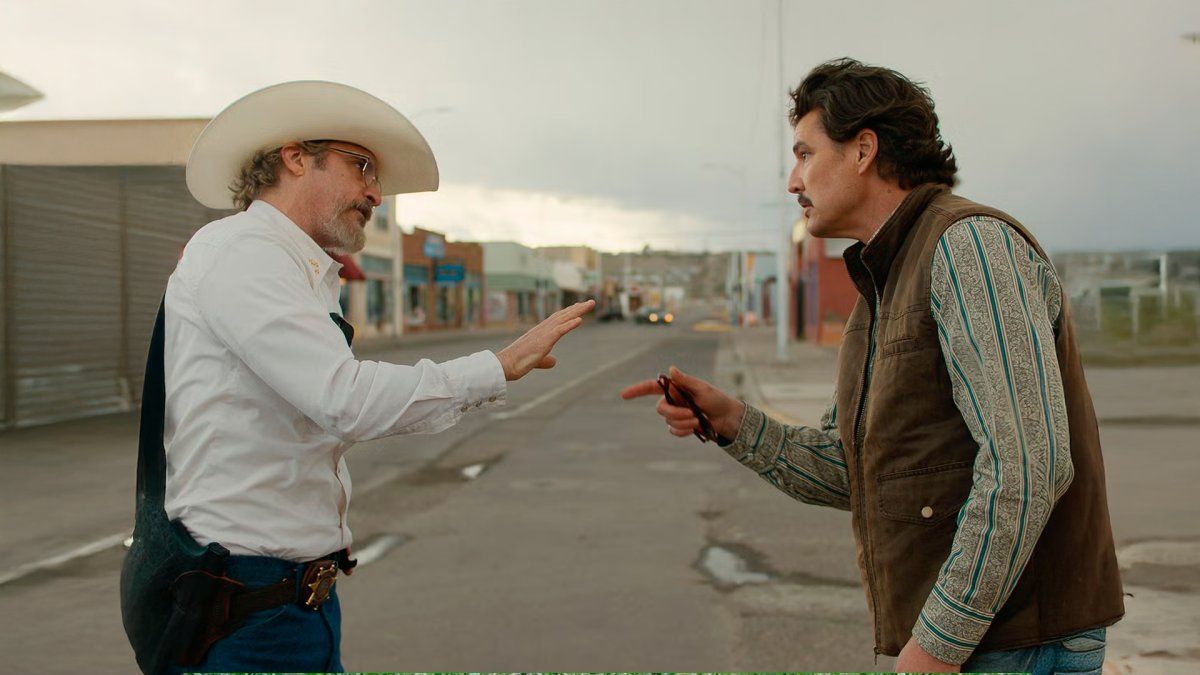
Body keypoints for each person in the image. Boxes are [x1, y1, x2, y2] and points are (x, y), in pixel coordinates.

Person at [622, 58, 1123, 674]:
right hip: (981, 644)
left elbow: (1028, 466)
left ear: (863, 150)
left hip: (1017, 645)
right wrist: (732, 422)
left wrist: (937, 645)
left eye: (805, 154)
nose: (791, 180)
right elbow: (852, 472)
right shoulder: (881, 288)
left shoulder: (969, 248)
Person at [132, 80, 593, 673]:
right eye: (362, 168)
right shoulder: (245, 251)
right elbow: (345, 400)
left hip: (287, 601)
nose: (375, 192)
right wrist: (497, 367)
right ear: (296, 157)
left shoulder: (297, 268)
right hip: (244, 610)